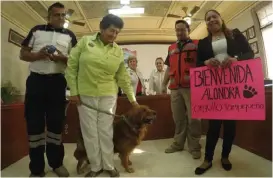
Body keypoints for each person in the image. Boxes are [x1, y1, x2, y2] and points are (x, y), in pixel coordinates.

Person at [65, 14, 138, 177]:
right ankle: (95, 167)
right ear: (102, 28)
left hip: (108, 95)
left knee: (106, 131)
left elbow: (123, 78)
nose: (114, 35)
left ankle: (109, 165)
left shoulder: (118, 51)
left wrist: (133, 100)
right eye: (111, 30)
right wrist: (74, 92)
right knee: (90, 132)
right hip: (85, 96)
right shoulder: (85, 42)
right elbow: (71, 66)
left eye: (117, 32)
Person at [19, 2, 77, 177]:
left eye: (63, 15)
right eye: (57, 15)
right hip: (36, 82)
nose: (60, 18)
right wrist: (38, 55)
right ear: (49, 17)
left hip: (57, 83)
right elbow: (23, 54)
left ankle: (56, 163)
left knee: (56, 124)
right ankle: (36, 169)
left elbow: (74, 61)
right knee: (34, 124)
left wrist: (60, 58)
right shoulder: (36, 30)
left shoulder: (70, 36)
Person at [194, 9, 254, 175]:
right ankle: (207, 160)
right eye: (208, 18)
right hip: (214, 90)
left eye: (214, 16)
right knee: (213, 127)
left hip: (233, 88)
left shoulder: (235, 34)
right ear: (206, 23)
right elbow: (198, 64)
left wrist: (236, 59)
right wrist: (206, 61)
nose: (211, 20)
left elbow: (250, 53)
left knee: (230, 126)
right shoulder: (203, 42)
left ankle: (225, 156)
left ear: (221, 18)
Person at [162, 20, 201, 159]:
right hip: (174, 89)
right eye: (177, 30)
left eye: (182, 29)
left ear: (188, 29)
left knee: (194, 119)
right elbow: (168, 67)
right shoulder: (171, 48)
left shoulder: (197, 45)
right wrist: (163, 83)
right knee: (178, 118)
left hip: (192, 88)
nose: (179, 32)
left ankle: (194, 146)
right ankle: (178, 144)